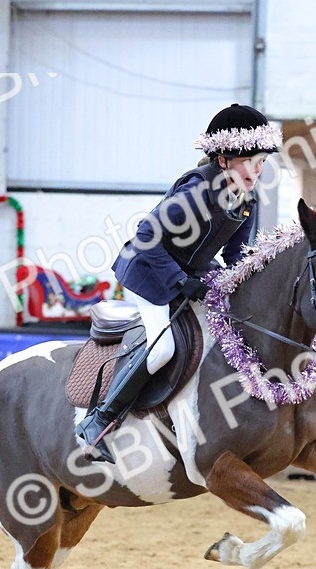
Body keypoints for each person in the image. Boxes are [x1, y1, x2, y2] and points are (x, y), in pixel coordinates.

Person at [75, 103, 282, 461]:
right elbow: (146, 239)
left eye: (262, 161)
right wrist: (179, 280)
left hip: (190, 274)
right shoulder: (197, 193)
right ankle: (99, 421)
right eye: (251, 161)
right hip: (148, 273)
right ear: (223, 160)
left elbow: (235, 256)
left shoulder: (244, 201)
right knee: (163, 349)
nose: (258, 170)